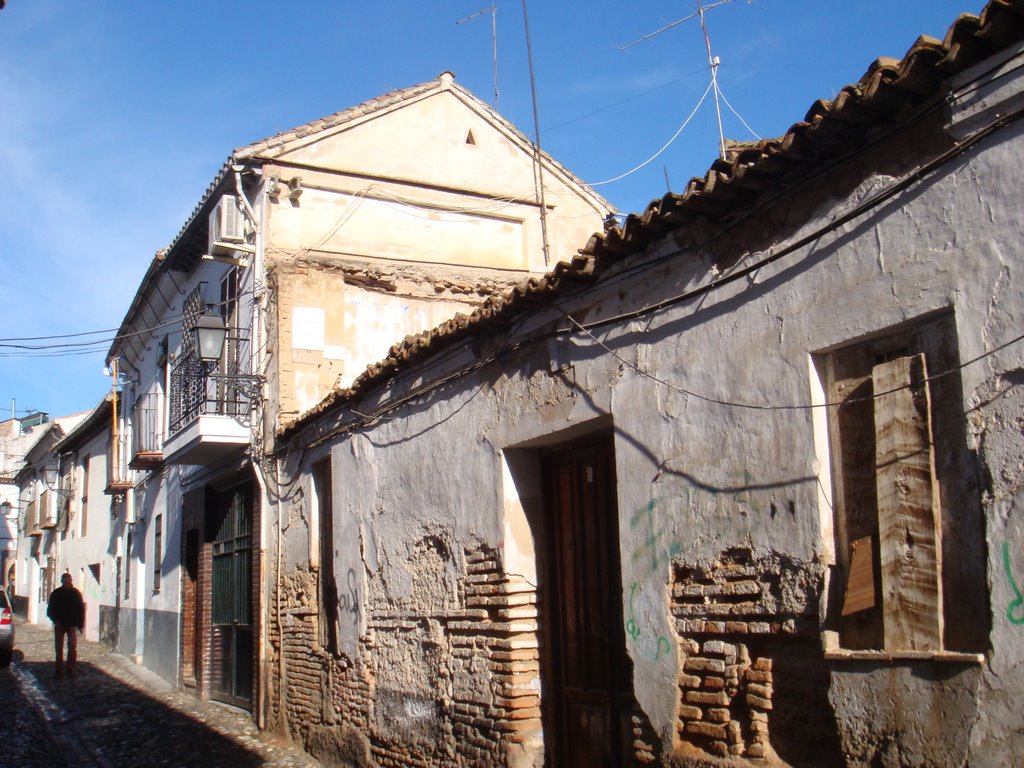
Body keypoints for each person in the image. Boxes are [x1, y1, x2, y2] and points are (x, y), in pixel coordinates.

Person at [47, 572, 85, 678]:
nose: (67, 583)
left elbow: (80, 609)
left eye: (69, 581)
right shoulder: (56, 593)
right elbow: (50, 610)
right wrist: (55, 620)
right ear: (62, 581)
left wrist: (80, 624)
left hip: (72, 624)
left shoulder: (76, 594)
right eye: (65, 581)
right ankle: (59, 670)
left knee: (72, 646)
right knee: (59, 647)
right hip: (60, 623)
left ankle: (70, 669)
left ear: (71, 581)